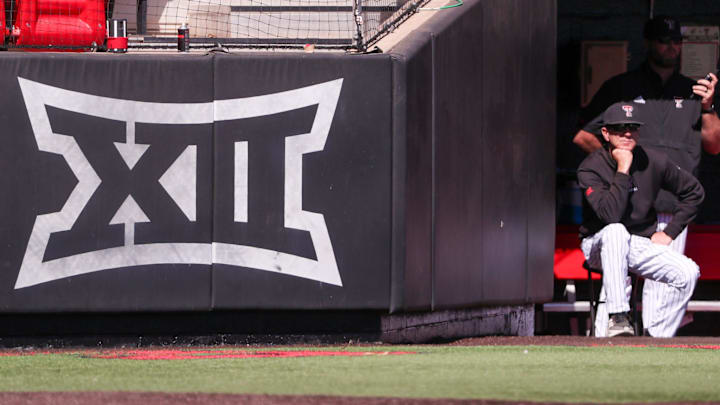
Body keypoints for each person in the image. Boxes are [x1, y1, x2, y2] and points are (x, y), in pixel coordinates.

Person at [572, 15, 720, 336]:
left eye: (676, 41)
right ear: (649, 43)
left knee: (663, 286)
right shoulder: (622, 87)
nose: (671, 47)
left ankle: (652, 344)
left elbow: (714, 145)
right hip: (625, 201)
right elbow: (582, 135)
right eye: (664, 40)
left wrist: (708, 107)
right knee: (618, 274)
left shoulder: (692, 91)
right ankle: (609, 338)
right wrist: (616, 162)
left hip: (670, 206)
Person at [577, 102, 704, 337]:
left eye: (633, 128)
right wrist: (623, 169)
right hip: (598, 244)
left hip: (636, 242)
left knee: (688, 272)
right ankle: (618, 319)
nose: (627, 133)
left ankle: (656, 337)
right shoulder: (590, 168)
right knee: (616, 231)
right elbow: (610, 215)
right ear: (605, 133)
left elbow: (694, 192)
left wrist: (669, 233)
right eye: (619, 128)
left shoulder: (653, 160)